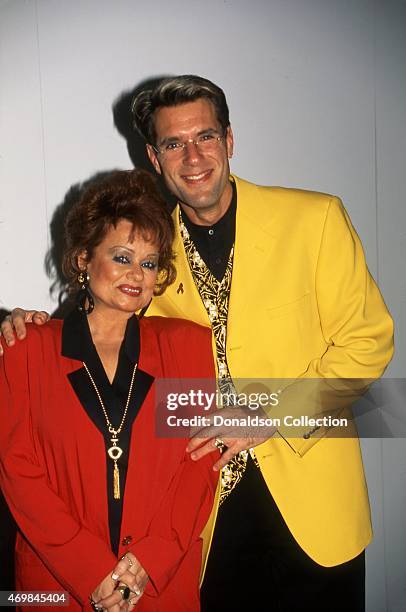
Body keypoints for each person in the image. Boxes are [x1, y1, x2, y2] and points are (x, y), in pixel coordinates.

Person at [1, 75, 394, 611]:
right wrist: (34, 324)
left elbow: (368, 346)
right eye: (172, 143)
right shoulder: (150, 246)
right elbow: (109, 316)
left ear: (229, 140)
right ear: (154, 157)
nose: (193, 156)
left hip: (314, 512)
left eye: (205, 136)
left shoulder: (314, 219)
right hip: (203, 522)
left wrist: (268, 414)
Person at [0, 168, 219, 611]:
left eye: (150, 262)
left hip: (159, 586)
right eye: (121, 257)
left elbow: (199, 465)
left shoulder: (189, 346)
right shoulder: (26, 348)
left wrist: (146, 563)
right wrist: (91, 570)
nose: (136, 274)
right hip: (54, 587)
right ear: (84, 259)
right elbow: (17, 472)